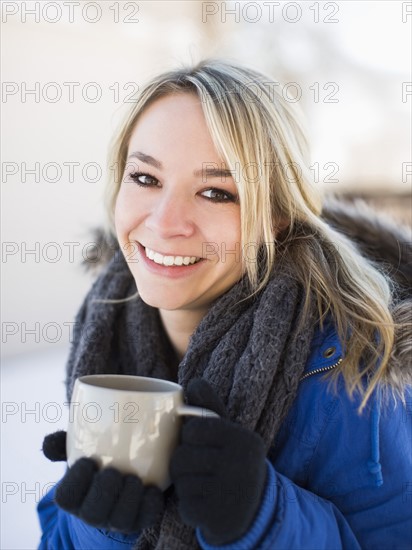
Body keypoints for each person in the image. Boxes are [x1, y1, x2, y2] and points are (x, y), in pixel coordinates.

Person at [37, 59, 411, 549]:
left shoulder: (355, 373)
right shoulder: (104, 326)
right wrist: (100, 528)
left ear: (275, 218)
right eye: (146, 178)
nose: (167, 222)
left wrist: (260, 518)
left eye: (216, 192)